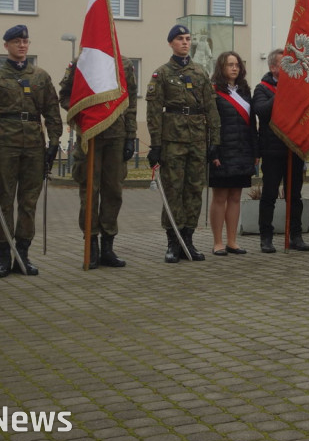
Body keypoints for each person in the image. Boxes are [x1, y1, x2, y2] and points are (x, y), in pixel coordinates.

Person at [0, 25, 62, 277]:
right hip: (5, 144)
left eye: (25, 41)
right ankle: (3, 256)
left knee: (28, 201)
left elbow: (52, 112)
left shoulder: (40, 76)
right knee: (4, 200)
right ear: (6, 46)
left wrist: (54, 143)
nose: (22, 45)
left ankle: (22, 253)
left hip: (34, 144)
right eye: (16, 42)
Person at [145, 24, 222, 263]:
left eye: (188, 39)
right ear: (171, 43)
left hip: (197, 140)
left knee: (194, 191)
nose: (185, 42)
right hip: (172, 141)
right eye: (180, 39)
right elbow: (154, 112)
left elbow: (211, 109)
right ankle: (173, 241)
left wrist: (215, 142)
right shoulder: (162, 74)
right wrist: (155, 145)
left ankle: (188, 239)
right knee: (173, 190)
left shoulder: (200, 72)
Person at [58, 56, 138, 268]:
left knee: (113, 192)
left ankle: (107, 247)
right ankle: (91, 244)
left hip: (116, 136)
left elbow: (131, 101)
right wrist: (84, 112)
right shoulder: (84, 60)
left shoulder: (125, 64)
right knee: (90, 192)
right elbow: (65, 95)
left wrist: (130, 136)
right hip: (90, 135)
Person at [252, 49, 309, 253]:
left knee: (295, 196)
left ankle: (295, 235)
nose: (288, 68)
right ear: (273, 67)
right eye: (283, 64)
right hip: (272, 150)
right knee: (269, 195)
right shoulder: (262, 88)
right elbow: (261, 112)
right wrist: (282, 94)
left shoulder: (297, 88)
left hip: (294, 149)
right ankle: (265, 237)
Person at [208, 51, 257, 256]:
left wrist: (255, 150)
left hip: (242, 149)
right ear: (221, 67)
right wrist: (213, 151)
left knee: (236, 196)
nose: (234, 68)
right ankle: (218, 242)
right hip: (222, 150)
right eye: (230, 64)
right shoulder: (213, 91)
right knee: (220, 196)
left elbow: (252, 124)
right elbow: (210, 124)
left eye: (237, 64)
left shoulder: (245, 91)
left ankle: (232, 241)